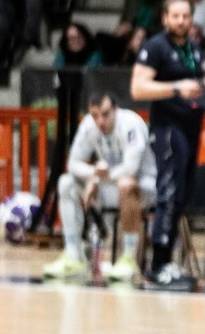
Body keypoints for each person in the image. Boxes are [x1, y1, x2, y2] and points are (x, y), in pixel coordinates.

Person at [130, 0, 205, 291]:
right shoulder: (155, 47)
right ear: (165, 18)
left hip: (192, 126)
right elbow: (138, 88)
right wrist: (175, 87)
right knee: (169, 190)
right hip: (167, 126)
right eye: (175, 16)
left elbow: (198, 85)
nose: (181, 21)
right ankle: (157, 266)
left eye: (185, 16)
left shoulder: (193, 48)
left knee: (182, 192)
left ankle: (167, 261)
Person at [43, 93, 157, 281]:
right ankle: (73, 256)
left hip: (145, 187)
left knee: (126, 184)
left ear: (115, 110)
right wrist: (92, 174)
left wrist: (95, 180)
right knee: (67, 183)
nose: (100, 121)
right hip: (111, 186)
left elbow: (131, 169)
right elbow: (73, 164)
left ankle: (129, 259)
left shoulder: (131, 125)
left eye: (105, 114)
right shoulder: (89, 125)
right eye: (95, 115)